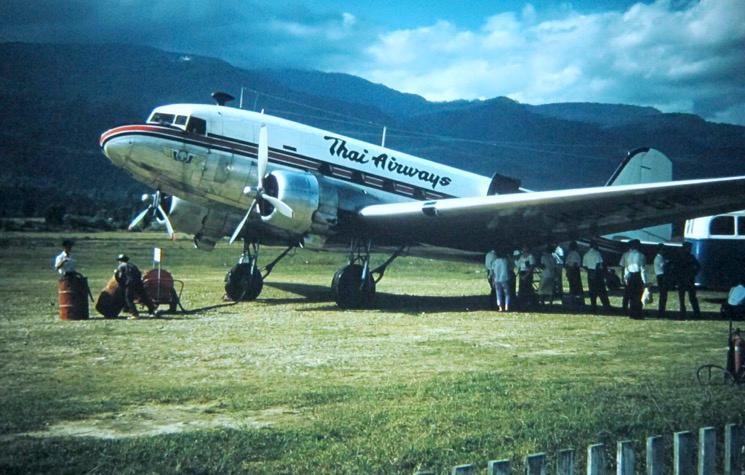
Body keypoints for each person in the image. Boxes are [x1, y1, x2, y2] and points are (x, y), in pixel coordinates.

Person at [114, 254, 156, 319]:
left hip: (130, 284)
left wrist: (121, 282)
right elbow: (139, 273)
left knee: (128, 299)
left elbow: (118, 276)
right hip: (138, 283)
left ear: (120, 261)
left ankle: (135, 314)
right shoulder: (133, 265)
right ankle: (152, 312)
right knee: (144, 297)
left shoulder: (121, 266)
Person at [619, 239, 647, 319]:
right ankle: (638, 313)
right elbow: (642, 269)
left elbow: (625, 267)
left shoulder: (627, 255)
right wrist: (645, 281)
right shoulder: (641, 255)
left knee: (630, 295)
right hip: (637, 276)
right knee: (638, 296)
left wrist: (624, 277)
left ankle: (631, 313)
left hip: (629, 275)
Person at [582, 240, 611, 313]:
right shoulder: (597, 253)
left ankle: (593, 307)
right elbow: (599, 264)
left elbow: (584, 266)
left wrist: (590, 272)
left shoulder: (586, 254)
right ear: (594, 246)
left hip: (590, 272)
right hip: (597, 273)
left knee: (592, 291)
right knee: (602, 290)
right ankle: (606, 306)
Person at [676, 242, 701, 319]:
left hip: (682, 279)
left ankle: (682, 313)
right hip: (689, 279)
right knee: (692, 297)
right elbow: (698, 266)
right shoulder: (690, 257)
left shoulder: (680, 257)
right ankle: (696, 313)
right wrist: (693, 273)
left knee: (682, 298)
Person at [653, 244, 671, 318]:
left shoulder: (660, 258)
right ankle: (661, 311)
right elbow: (664, 266)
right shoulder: (659, 258)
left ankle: (662, 310)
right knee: (663, 295)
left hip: (660, 276)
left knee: (664, 295)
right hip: (661, 276)